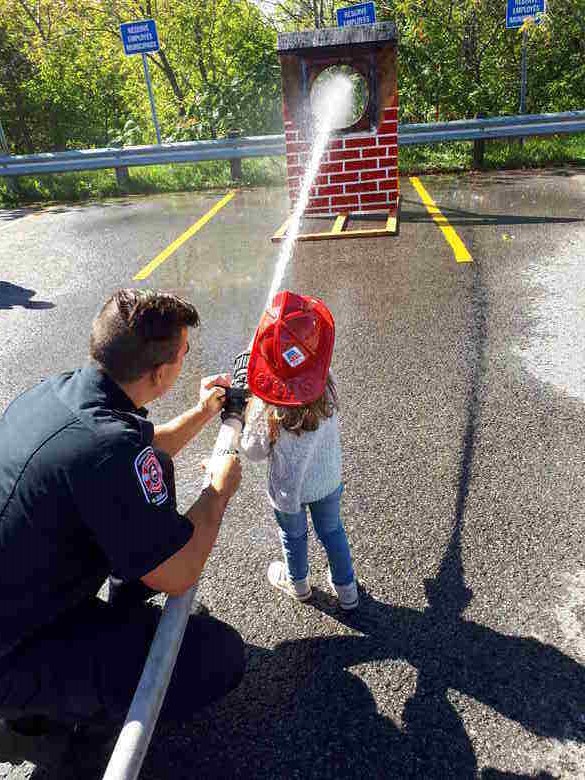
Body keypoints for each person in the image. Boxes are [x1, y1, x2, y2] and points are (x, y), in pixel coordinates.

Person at [0, 288, 244, 736]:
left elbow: (146, 448)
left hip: (17, 602)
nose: (188, 357)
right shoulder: (107, 447)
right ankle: (58, 711)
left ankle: (57, 684)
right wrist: (218, 491)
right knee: (219, 654)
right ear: (159, 373)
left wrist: (202, 411)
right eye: (184, 351)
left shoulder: (64, 393)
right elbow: (179, 572)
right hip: (15, 652)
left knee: (153, 470)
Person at [240, 290, 358, 611]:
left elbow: (252, 450)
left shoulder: (267, 405)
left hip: (288, 492)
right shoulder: (326, 381)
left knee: (293, 538)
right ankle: (348, 591)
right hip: (327, 480)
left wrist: (249, 408)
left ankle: (299, 585)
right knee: (332, 531)